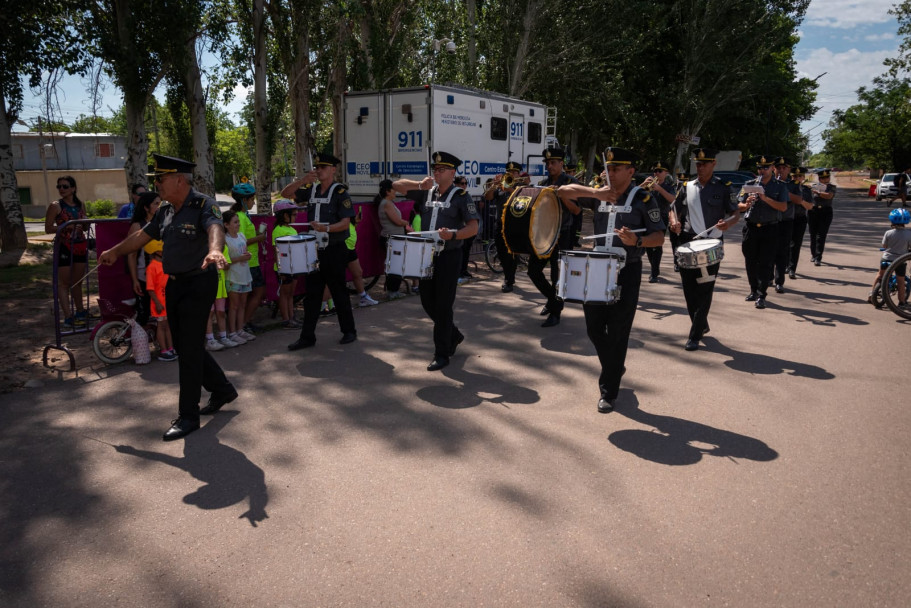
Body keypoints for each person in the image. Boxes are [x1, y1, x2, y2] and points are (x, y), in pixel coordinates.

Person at [99, 154, 236, 442]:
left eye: (160, 179)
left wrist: (214, 250)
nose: (157, 184)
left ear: (179, 179)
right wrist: (115, 251)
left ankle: (188, 415)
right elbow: (141, 238)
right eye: (156, 180)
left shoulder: (203, 204)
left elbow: (215, 228)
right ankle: (222, 389)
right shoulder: (165, 211)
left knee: (187, 349)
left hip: (199, 282)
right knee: (187, 347)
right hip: (174, 285)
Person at [553, 147, 665, 413]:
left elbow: (658, 237)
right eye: (608, 169)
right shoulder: (598, 194)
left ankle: (608, 392)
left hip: (628, 271)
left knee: (617, 333)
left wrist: (637, 240)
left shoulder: (644, 199)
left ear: (630, 171)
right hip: (597, 270)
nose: (610, 173)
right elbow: (561, 192)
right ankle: (616, 365)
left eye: (616, 169)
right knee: (593, 329)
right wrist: (594, 193)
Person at [392, 151, 480, 371]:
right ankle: (454, 334)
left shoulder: (461, 196)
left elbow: (473, 227)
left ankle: (441, 353)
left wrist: (453, 235)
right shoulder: (426, 193)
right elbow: (396, 186)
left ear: (452, 172)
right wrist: (419, 184)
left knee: (443, 304)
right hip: (425, 254)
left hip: (449, 255)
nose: (437, 173)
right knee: (427, 301)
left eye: (442, 170)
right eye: (435, 169)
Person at [282, 153, 358, 349]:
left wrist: (327, 228)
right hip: (314, 250)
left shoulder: (340, 192)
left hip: (334, 248)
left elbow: (346, 223)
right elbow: (285, 194)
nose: (319, 170)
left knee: (339, 292)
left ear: (333, 169)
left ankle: (349, 331)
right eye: (317, 167)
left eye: (323, 167)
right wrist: (302, 180)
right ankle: (307, 337)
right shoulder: (311, 188)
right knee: (312, 295)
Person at [667, 148, 738, 350]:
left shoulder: (723, 187)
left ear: (713, 164)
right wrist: (674, 223)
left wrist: (729, 223)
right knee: (689, 289)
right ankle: (701, 324)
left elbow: (735, 213)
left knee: (705, 289)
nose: (700, 167)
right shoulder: (687, 186)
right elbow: (673, 209)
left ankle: (694, 335)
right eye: (697, 163)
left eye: (704, 163)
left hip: (712, 242)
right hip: (688, 241)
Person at [533, 146, 582, 327]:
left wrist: (561, 195)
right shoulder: (544, 182)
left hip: (563, 233)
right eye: (547, 163)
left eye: (553, 162)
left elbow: (577, 210)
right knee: (533, 270)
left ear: (561, 163)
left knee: (557, 274)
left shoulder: (571, 182)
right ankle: (552, 301)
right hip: (545, 233)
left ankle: (555, 313)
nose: (549, 166)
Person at [738, 156, 789, 309]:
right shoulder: (749, 184)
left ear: (772, 168)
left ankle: (762, 294)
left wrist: (765, 198)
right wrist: (746, 204)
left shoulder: (780, 186)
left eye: (765, 167)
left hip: (770, 228)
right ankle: (753, 290)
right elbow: (738, 206)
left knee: (766, 263)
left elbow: (783, 207)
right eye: (760, 168)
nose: (762, 170)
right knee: (750, 261)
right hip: (751, 227)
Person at [45, 175, 89, 328]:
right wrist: (66, 226)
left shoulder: (80, 205)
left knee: (77, 282)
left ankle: (81, 311)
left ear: (73, 188)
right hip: (64, 246)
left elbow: (85, 226)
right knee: (63, 283)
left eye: (64, 186)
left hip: (80, 245)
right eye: (59, 186)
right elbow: (48, 228)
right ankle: (68, 317)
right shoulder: (56, 206)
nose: (61, 189)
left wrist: (85, 223)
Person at [229, 182, 268, 334]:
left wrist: (257, 234)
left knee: (254, 293)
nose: (253, 202)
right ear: (244, 201)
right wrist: (259, 238)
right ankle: (244, 323)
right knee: (258, 293)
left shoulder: (244, 215)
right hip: (248, 262)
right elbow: (240, 240)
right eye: (252, 199)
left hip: (252, 260)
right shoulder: (239, 216)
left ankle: (246, 322)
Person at [483, 161, 521, 292]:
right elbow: (487, 197)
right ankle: (509, 275)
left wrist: (508, 187)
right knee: (501, 252)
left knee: (512, 253)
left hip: (515, 224)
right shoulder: (500, 187)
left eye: (514, 172)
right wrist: (494, 185)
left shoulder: (521, 187)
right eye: (509, 172)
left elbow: (520, 197)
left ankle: (508, 279)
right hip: (500, 224)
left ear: (518, 174)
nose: (511, 174)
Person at [127, 191, 162, 326]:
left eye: (160, 203)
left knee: (164, 313)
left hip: (163, 275)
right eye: (156, 204)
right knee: (143, 314)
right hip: (145, 276)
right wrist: (135, 279)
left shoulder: (163, 223)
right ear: (146, 207)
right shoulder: (138, 226)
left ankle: (165, 344)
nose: (159, 207)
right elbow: (132, 254)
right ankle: (137, 343)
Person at [223, 210, 256, 345]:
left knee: (242, 304)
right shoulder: (225, 240)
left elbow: (243, 251)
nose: (238, 225)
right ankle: (232, 333)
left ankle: (240, 329)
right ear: (226, 225)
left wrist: (247, 255)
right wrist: (240, 258)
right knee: (234, 305)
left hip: (245, 275)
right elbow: (225, 261)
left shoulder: (241, 236)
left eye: (238, 222)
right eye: (235, 222)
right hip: (233, 277)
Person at [376, 178, 412, 299]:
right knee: (395, 264)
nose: (395, 192)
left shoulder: (388, 203)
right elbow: (397, 221)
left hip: (393, 238)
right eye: (393, 190)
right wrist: (405, 222)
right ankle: (393, 291)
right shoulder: (386, 204)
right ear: (388, 191)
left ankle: (393, 290)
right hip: (391, 238)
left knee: (395, 263)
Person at [867, 208, 911, 306]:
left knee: (880, 275)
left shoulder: (888, 232)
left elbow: (884, 246)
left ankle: (871, 295)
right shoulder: (909, 234)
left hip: (886, 258)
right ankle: (902, 301)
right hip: (900, 261)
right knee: (901, 280)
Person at [772, 157, 802, 293]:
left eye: (784, 168)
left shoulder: (793, 184)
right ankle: (768, 277)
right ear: (774, 169)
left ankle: (779, 282)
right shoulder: (769, 183)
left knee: (782, 252)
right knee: (769, 251)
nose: (781, 170)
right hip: (771, 220)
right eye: (778, 167)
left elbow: (798, 199)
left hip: (786, 221)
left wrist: (783, 192)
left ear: (789, 170)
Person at [270, 199, 302, 328]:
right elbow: (276, 251)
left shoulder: (292, 229)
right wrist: (280, 268)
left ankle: (291, 317)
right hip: (284, 268)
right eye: (293, 214)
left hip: (293, 267)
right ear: (284, 215)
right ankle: (286, 320)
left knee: (290, 294)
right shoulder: (278, 230)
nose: (296, 216)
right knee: (284, 294)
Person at [144, 240, 177, 362]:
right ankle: (163, 350)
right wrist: (157, 303)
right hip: (159, 302)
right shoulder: (152, 267)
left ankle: (170, 348)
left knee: (168, 325)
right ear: (156, 251)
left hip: (167, 301)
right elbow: (150, 288)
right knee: (161, 326)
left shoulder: (165, 264)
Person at [645, 161, 675, 283]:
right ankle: (654, 267)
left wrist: (659, 188)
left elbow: (672, 199)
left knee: (657, 245)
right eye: (655, 171)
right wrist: (644, 186)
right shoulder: (649, 185)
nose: (656, 173)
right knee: (648, 245)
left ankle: (654, 273)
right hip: (647, 218)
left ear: (666, 173)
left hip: (661, 218)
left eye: (660, 171)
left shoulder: (669, 187)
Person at [787, 167, 814, 279]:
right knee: (785, 244)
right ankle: (784, 265)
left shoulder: (806, 190)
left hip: (799, 218)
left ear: (803, 177)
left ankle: (792, 268)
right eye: (794, 176)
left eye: (799, 176)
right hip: (787, 219)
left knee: (796, 245)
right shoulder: (786, 187)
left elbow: (810, 206)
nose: (797, 178)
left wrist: (800, 200)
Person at [807, 169, 837, 266]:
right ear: (819, 179)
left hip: (826, 211)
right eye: (823, 178)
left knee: (821, 235)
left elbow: (829, 196)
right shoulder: (813, 186)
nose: (826, 179)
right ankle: (813, 254)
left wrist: (818, 193)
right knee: (813, 234)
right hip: (813, 211)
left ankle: (818, 257)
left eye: (827, 177)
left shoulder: (831, 187)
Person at [454, 175, 477, 283]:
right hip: (459, 229)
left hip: (467, 229)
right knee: (460, 251)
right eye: (461, 183)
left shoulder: (466, 196)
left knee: (466, 251)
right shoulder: (454, 196)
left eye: (465, 184)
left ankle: (464, 270)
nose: (464, 186)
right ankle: (458, 272)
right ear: (456, 184)